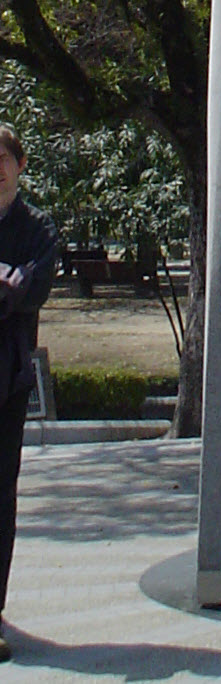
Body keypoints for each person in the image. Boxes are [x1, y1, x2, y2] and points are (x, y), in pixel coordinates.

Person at [0, 125, 57, 661]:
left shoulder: (38, 227)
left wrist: (12, 289)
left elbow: (29, 291)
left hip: (7, 380)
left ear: (19, 164)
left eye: (3, 157)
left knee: (0, 497)